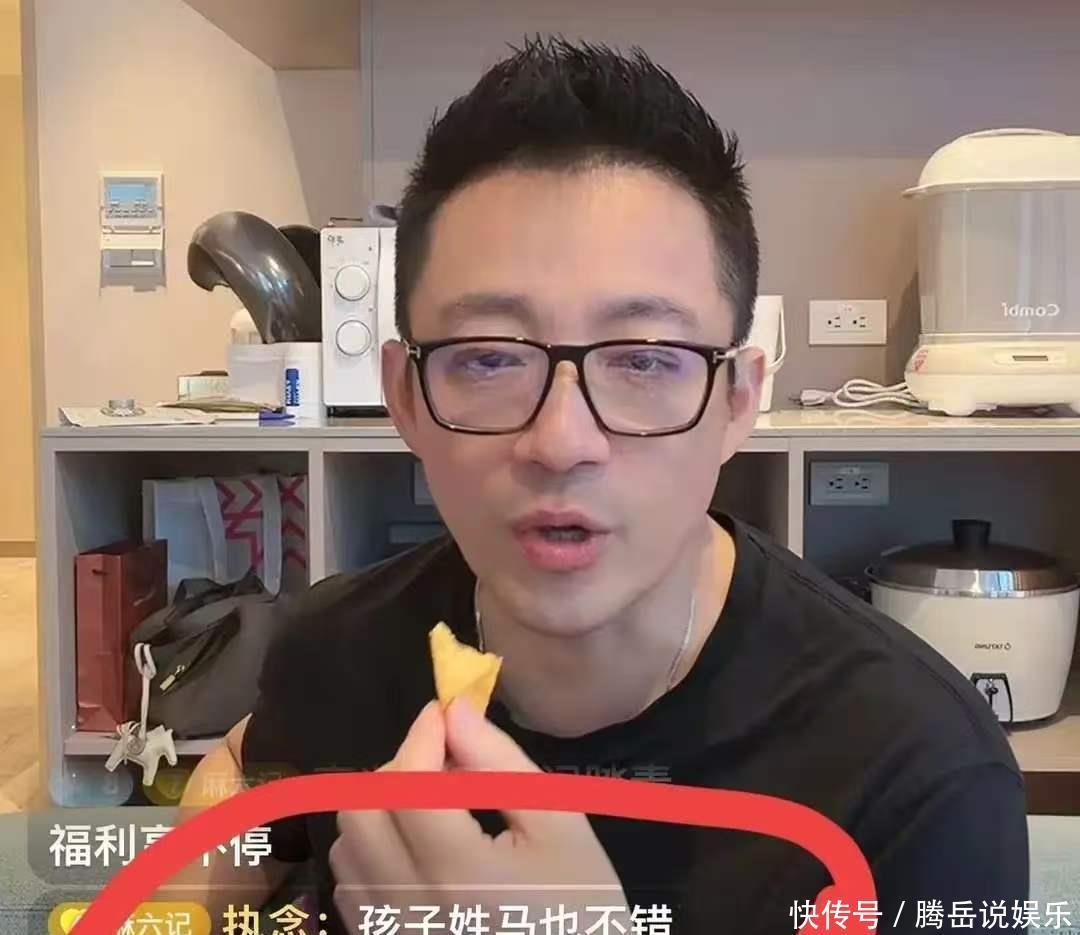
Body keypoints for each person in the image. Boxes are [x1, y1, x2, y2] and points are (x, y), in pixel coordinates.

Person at [169, 36, 1028, 935]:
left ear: (739, 400)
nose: (562, 441)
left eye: (646, 359)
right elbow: (242, 767)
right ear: (405, 398)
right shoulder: (332, 651)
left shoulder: (918, 777)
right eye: (489, 357)